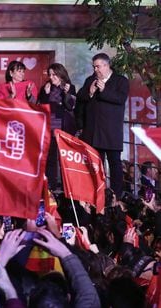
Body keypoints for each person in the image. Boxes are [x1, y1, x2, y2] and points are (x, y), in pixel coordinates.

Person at [75, 53, 129, 199]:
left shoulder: (120, 81)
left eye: (98, 66)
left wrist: (104, 90)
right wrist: (90, 92)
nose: (96, 69)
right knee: (96, 166)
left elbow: (120, 99)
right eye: (94, 67)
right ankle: (97, 194)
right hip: (93, 132)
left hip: (111, 132)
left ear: (107, 65)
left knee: (115, 164)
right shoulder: (90, 80)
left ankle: (116, 196)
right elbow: (80, 97)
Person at [38, 63, 76, 189]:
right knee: (50, 159)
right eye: (50, 74)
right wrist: (47, 93)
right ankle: (51, 187)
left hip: (64, 129)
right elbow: (41, 107)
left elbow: (70, 106)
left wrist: (66, 94)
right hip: (49, 129)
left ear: (61, 74)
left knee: (64, 160)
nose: (51, 77)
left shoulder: (69, 87)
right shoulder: (46, 87)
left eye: (54, 74)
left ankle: (68, 187)